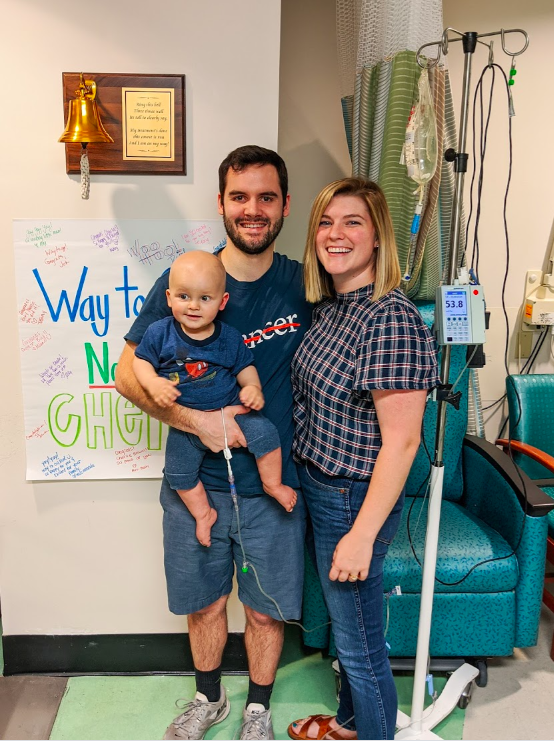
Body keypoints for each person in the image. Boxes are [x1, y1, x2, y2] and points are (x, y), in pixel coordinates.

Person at [115, 145, 312, 741]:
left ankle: (257, 706)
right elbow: (128, 375)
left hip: (269, 487)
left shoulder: (304, 285)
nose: (253, 209)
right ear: (221, 203)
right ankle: (209, 699)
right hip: (194, 480)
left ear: (284, 206)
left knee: (263, 609)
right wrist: (197, 425)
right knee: (203, 605)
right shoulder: (181, 282)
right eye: (240, 197)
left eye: (266, 197)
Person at [287, 178, 439, 741]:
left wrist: (361, 534)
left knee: (360, 647)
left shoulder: (389, 318)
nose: (336, 234)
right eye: (326, 222)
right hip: (322, 487)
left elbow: (401, 444)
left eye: (353, 222)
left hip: (353, 499)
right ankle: (350, 726)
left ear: (378, 237)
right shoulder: (334, 308)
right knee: (349, 634)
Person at [133, 250, 297, 547]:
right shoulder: (160, 332)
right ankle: (203, 514)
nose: (193, 306)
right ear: (168, 298)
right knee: (178, 474)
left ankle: (272, 484)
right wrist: (152, 383)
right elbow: (139, 362)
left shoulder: (228, 337)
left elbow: (245, 367)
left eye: (204, 299)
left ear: (221, 302)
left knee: (267, 435)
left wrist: (252, 389)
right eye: (184, 296)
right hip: (185, 427)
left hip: (235, 413)